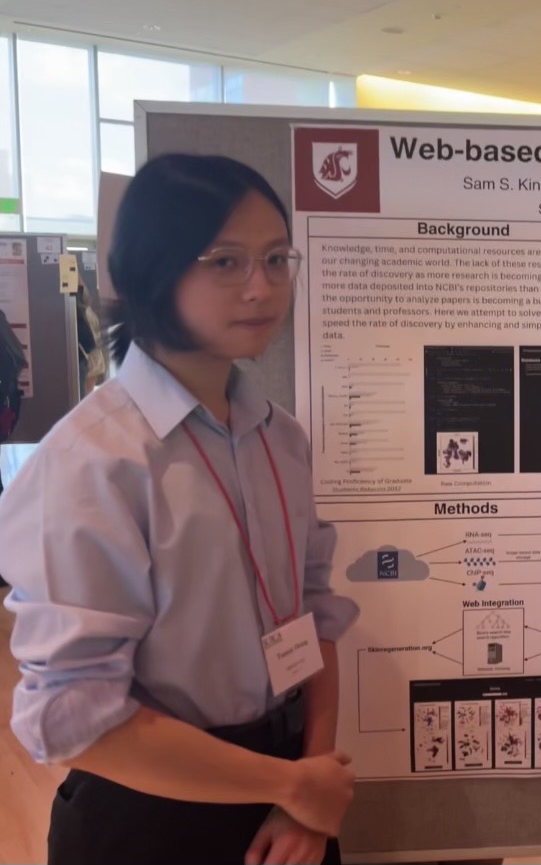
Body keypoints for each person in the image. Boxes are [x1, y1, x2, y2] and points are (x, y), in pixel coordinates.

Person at [0, 153, 359, 865]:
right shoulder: (91, 463)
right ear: (152, 271)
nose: (261, 287)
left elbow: (315, 614)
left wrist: (308, 785)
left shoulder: (280, 437)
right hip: (151, 811)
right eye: (225, 262)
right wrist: (292, 784)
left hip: (290, 791)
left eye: (276, 259)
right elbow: (72, 717)